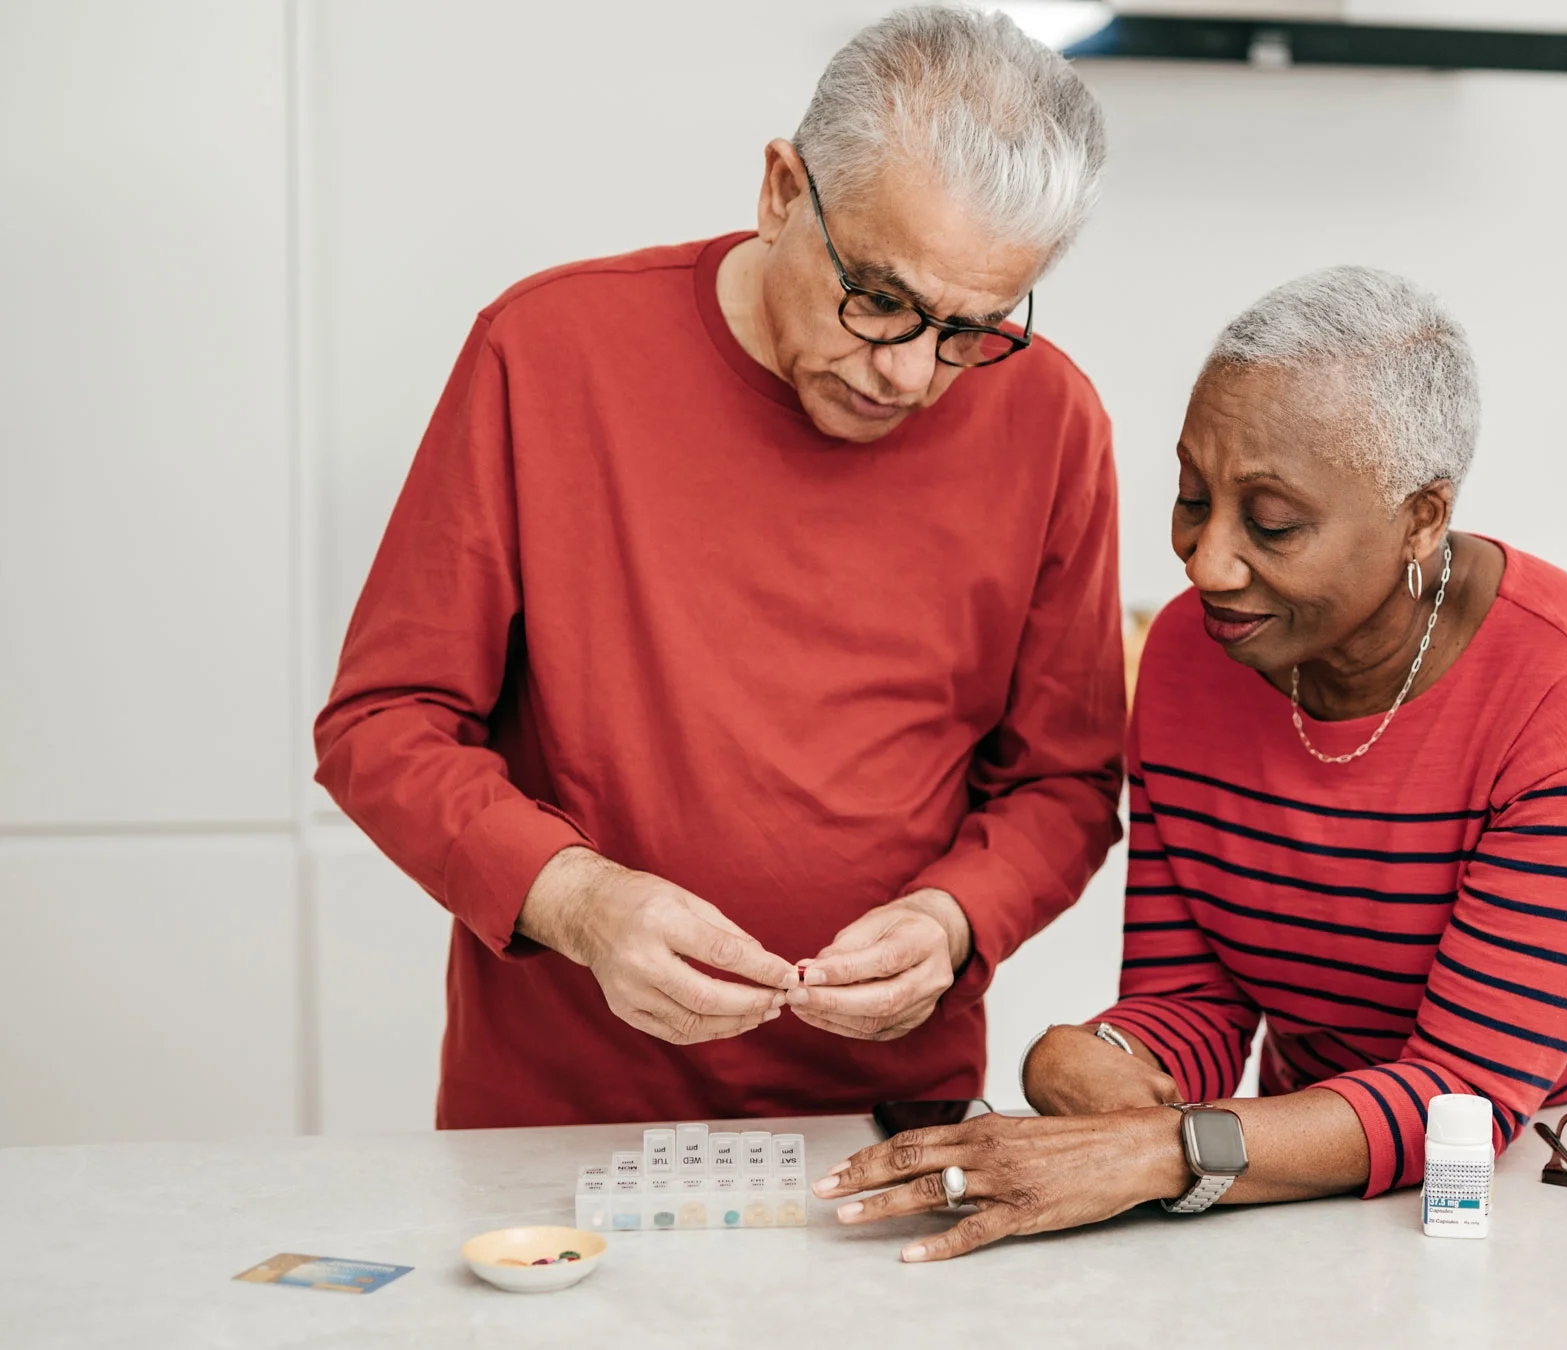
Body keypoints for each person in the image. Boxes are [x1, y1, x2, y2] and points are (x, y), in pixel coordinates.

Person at [819, 266, 1567, 1260]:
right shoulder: (1191, 656)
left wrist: (1157, 1153)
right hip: (1341, 1167)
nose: (1207, 561)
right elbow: (1199, 1003)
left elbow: (1463, 1097)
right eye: (1191, 495)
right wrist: (1090, 1060)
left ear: (1421, 517)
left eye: (1271, 524)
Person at [313, 8, 1123, 1128]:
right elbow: (383, 724)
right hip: (562, 1117)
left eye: (969, 329)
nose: (907, 374)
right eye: (879, 299)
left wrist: (955, 916)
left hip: (888, 1116)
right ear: (784, 191)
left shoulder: (1051, 419)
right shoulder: (548, 352)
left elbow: (1064, 781)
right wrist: (581, 902)